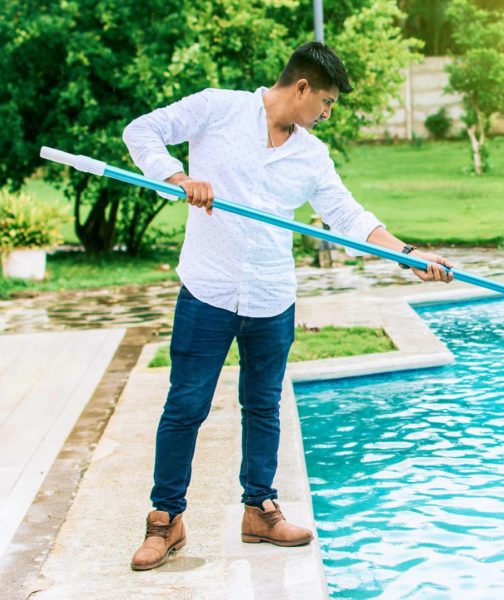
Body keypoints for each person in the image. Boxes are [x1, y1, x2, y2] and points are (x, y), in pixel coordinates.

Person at [122, 41, 454, 571]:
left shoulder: (310, 154)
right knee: (185, 406)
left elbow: (347, 216)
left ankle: (260, 509)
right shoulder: (217, 108)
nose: (326, 114)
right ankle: (166, 520)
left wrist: (407, 255)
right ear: (301, 88)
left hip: (271, 297)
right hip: (208, 290)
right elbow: (140, 131)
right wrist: (179, 179)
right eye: (325, 102)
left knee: (264, 405)